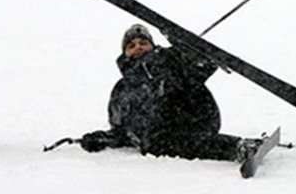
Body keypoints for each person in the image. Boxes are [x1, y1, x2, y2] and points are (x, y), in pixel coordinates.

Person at [77, 24, 263, 165]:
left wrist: (191, 51)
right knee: (160, 145)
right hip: (159, 138)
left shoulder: (169, 60)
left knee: (176, 95)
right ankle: (236, 146)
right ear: (125, 53)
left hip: (193, 119)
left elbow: (201, 70)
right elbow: (122, 128)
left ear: (152, 45)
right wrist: (102, 138)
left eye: (143, 43)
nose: (138, 47)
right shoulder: (122, 89)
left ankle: (238, 147)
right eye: (132, 45)